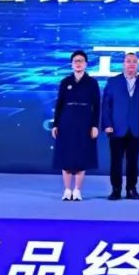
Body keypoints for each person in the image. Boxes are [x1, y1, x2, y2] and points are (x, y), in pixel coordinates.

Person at [101, 52, 139, 200]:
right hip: (116, 128)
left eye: (134, 61)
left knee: (133, 161)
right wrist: (107, 124)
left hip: (136, 129)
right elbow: (106, 105)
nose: (131, 64)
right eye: (128, 61)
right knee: (116, 161)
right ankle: (116, 190)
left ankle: (131, 189)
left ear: (138, 65)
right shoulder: (113, 81)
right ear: (123, 64)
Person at [51, 50, 100, 201]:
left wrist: (95, 125)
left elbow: (97, 106)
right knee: (66, 156)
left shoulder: (92, 83)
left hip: (85, 122)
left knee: (81, 156)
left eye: (81, 61)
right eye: (75, 61)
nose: (78, 63)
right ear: (71, 64)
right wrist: (56, 124)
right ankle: (67, 190)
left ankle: (77, 190)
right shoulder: (65, 82)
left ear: (86, 64)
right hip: (66, 122)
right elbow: (59, 104)